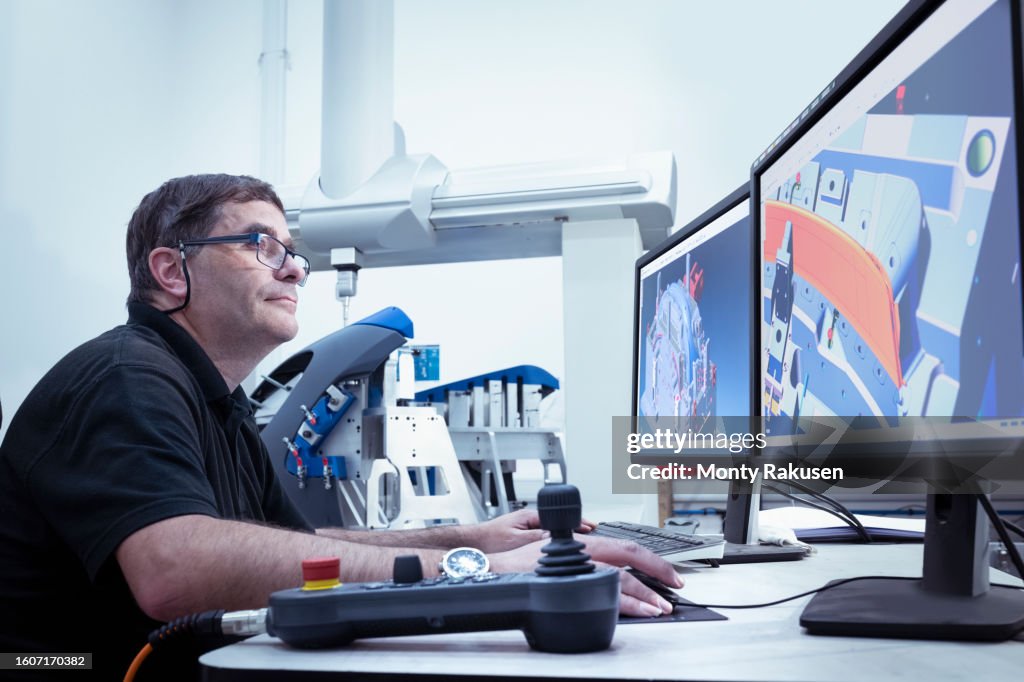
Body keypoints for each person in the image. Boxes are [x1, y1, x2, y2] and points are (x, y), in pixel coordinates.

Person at [0, 174, 683, 680]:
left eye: (292, 251)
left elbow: (301, 546)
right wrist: (475, 572)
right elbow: (174, 571)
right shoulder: (125, 376)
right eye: (262, 244)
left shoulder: (214, 401)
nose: (296, 267)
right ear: (171, 271)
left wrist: (472, 537)